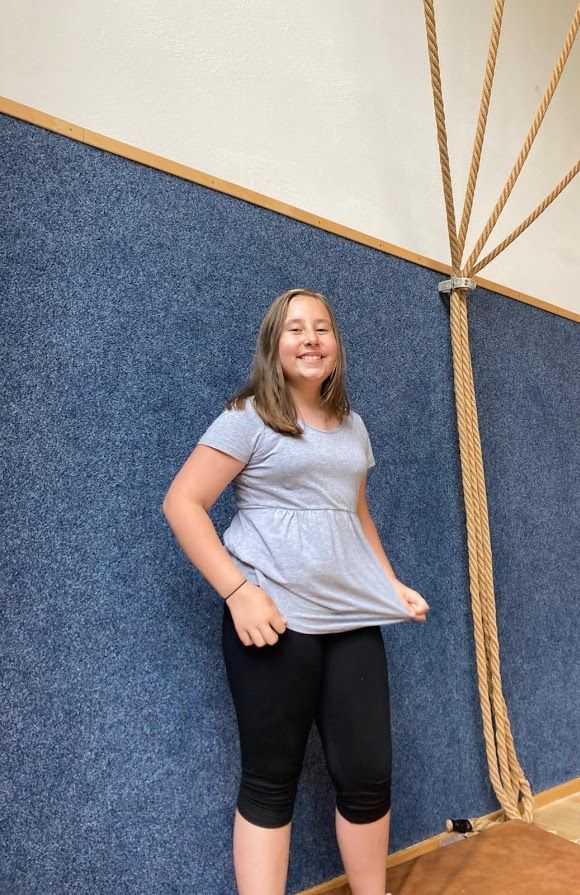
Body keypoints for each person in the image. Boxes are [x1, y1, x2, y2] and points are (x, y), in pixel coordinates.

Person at [162, 287, 430, 895]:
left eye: (322, 328)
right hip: (275, 620)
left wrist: (388, 584)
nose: (311, 338)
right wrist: (238, 592)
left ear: (336, 345)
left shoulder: (353, 426)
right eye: (295, 328)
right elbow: (183, 502)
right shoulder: (248, 416)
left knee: (368, 776)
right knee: (270, 780)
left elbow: (354, 513)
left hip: (350, 620)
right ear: (273, 345)